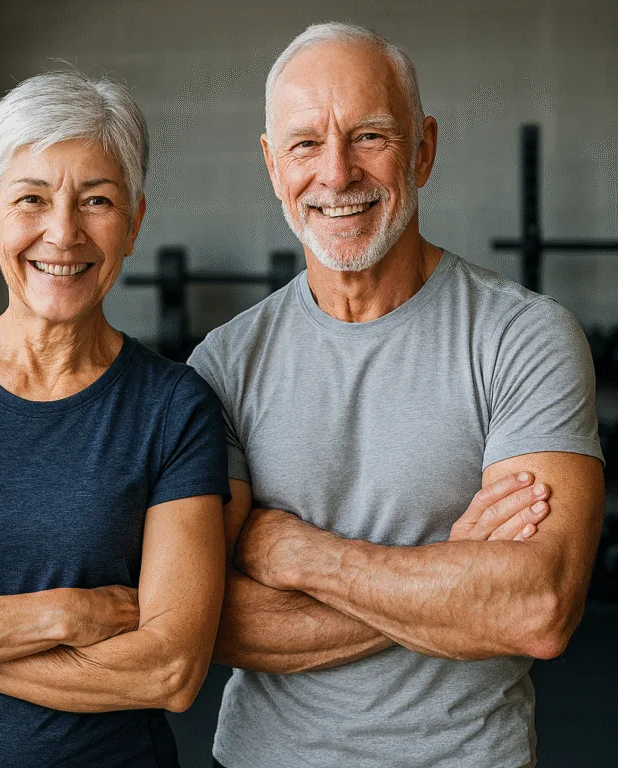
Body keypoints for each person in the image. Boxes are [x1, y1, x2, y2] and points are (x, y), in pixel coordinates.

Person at [187, 22, 605, 768]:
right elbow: (207, 624)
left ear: (424, 148)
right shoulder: (223, 365)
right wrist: (453, 571)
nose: (337, 174)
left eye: (370, 136)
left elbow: (537, 609)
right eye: (306, 143)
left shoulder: (525, 338)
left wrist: (298, 554)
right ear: (271, 165)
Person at [0, 71, 229, 768]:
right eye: (31, 199)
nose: (63, 232)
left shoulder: (176, 409)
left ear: (135, 222)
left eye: (97, 200)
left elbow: (169, 671)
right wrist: (64, 615)